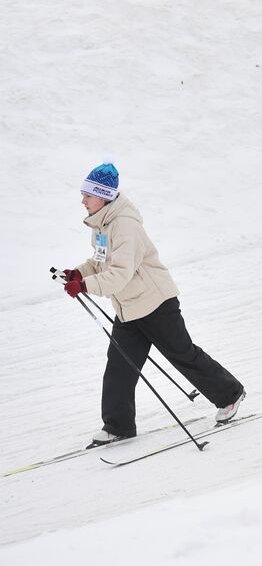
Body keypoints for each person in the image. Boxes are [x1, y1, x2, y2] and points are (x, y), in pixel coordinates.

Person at [61, 163, 246, 447]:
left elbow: (120, 273)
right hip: (129, 307)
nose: (83, 200)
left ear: (103, 196)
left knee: (182, 354)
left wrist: (85, 286)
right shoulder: (101, 224)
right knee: (120, 366)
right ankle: (118, 425)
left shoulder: (124, 225)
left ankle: (230, 395)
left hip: (155, 302)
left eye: (88, 195)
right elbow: (100, 262)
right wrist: (79, 274)